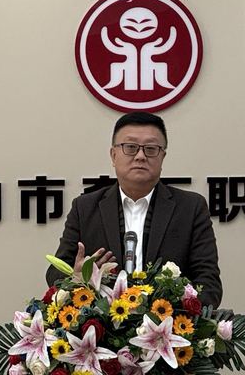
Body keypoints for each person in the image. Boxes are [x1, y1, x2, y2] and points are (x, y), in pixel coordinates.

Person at [46, 112, 222, 307]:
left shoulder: (190, 208)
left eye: (150, 149)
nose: (140, 156)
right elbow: (54, 274)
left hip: (168, 321)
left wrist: (174, 311)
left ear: (162, 157)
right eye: (130, 147)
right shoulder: (85, 208)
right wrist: (76, 277)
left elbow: (208, 283)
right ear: (113, 155)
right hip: (102, 322)